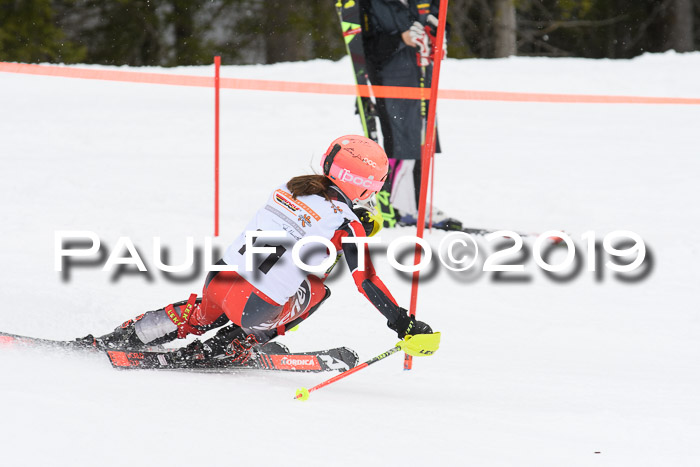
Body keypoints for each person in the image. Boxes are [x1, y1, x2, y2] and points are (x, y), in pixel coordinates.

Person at [78, 135, 434, 365]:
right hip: (255, 307)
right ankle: (234, 345)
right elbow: (365, 281)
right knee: (319, 290)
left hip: (218, 280)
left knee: (202, 311)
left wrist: (351, 221)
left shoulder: (290, 187)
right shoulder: (346, 224)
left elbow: (309, 218)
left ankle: (126, 336)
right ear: (365, 187)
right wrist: (402, 322)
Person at [361, 0, 461, 230]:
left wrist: (438, 29)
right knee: (402, 141)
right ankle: (397, 206)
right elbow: (365, 47)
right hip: (392, 77)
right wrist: (400, 39)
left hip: (422, 74)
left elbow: (441, 23)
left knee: (423, 140)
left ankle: (416, 204)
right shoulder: (372, 4)